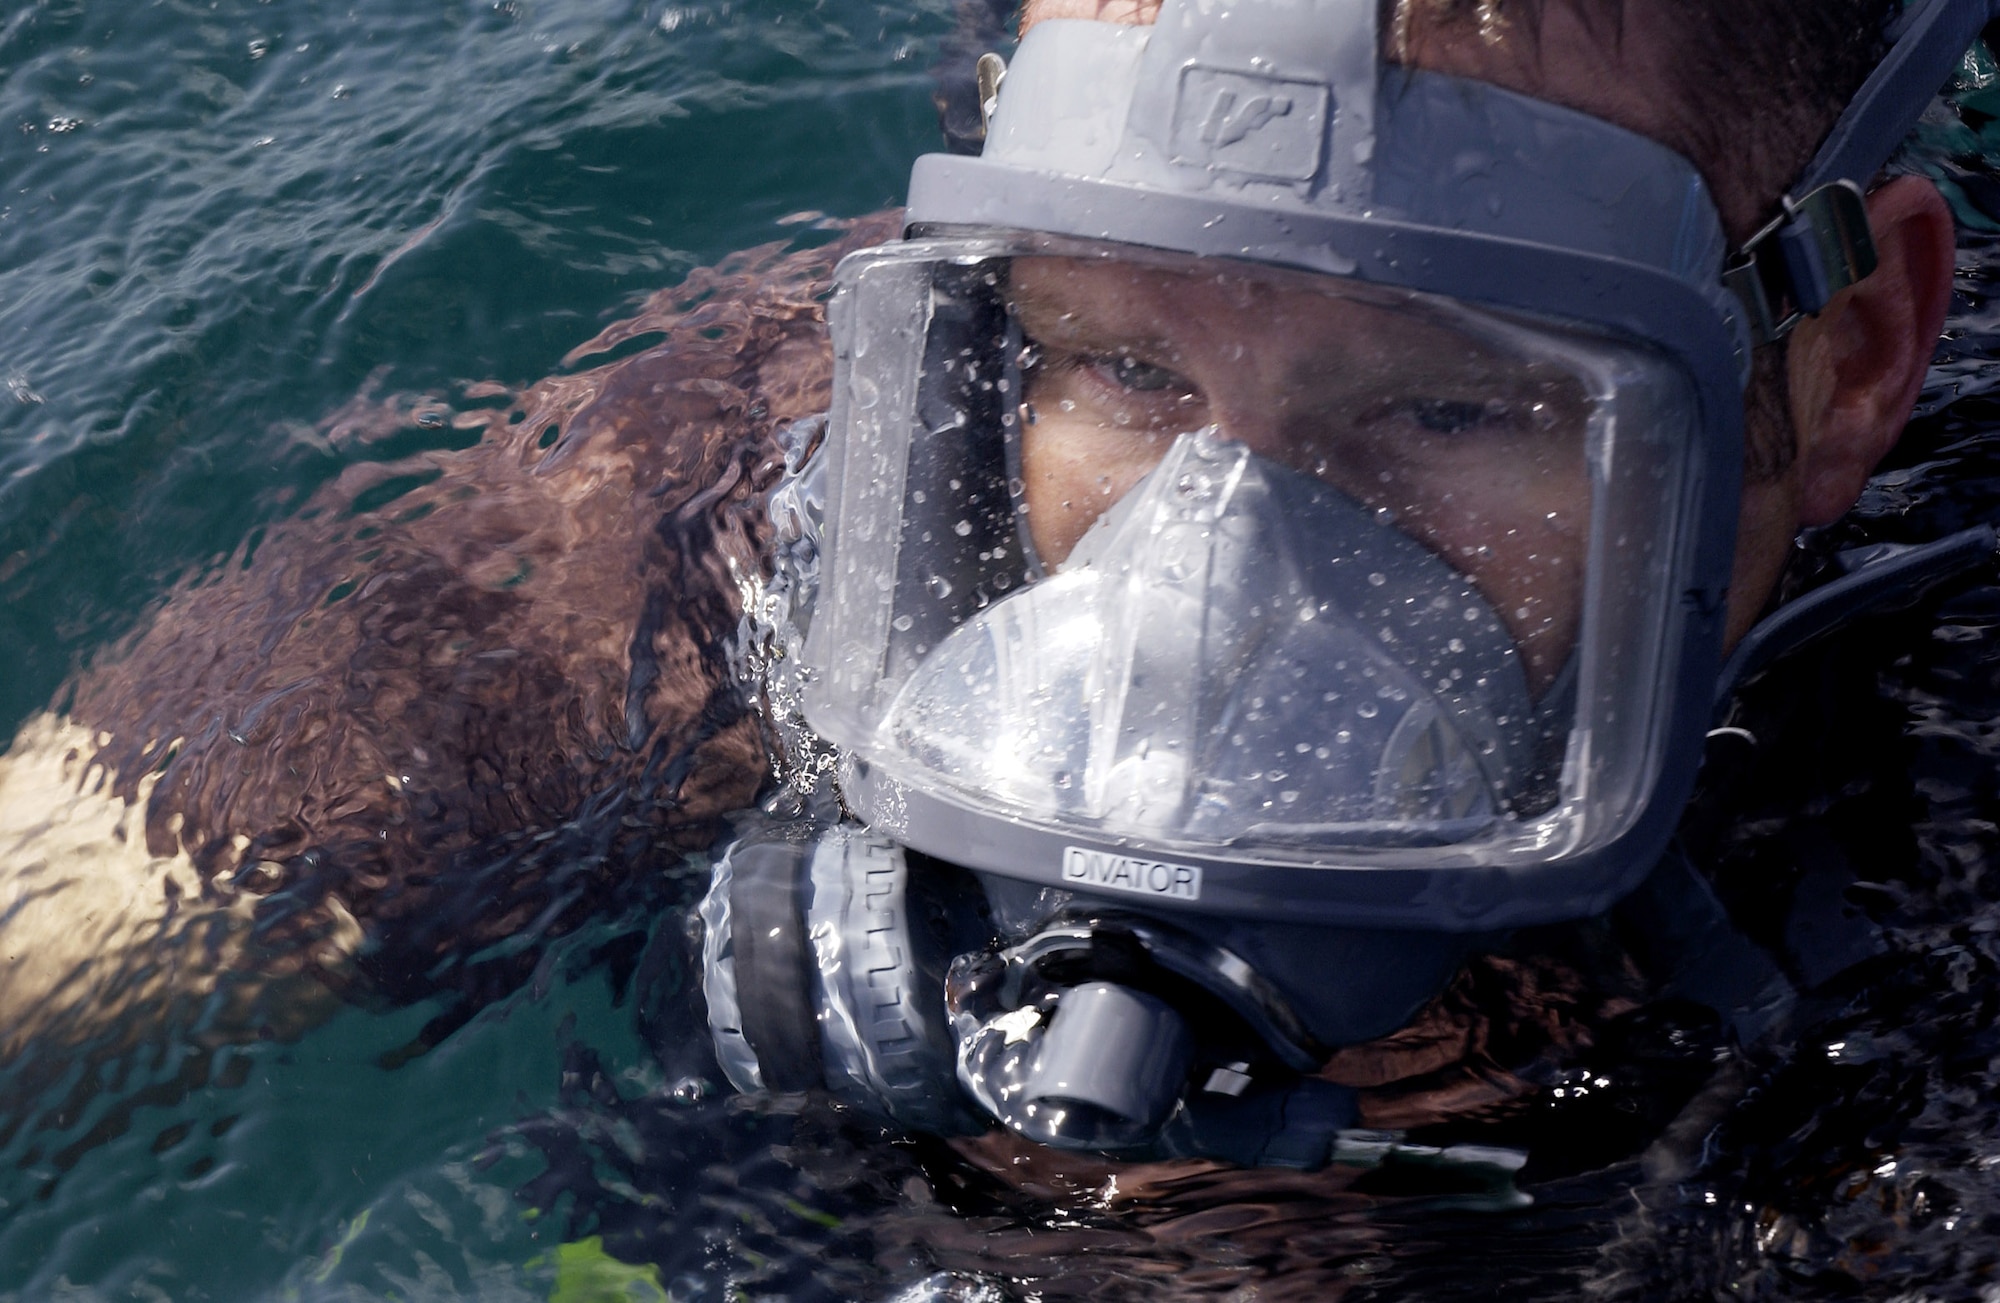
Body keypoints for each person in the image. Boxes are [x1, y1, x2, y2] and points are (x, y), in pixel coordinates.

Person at [699, 0, 1990, 1172]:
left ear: (1852, 358)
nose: (1217, 560)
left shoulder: (1951, 821)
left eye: (1445, 406)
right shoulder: (734, 489)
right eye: (1126, 370)